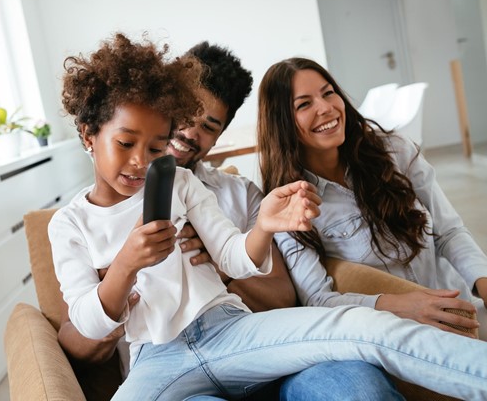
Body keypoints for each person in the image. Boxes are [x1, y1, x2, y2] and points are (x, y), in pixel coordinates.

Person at [50, 33, 487, 401]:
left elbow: (237, 257)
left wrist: (263, 226)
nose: (142, 161)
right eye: (126, 143)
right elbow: (86, 322)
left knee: (362, 327)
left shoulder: (187, 187)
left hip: (232, 331)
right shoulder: (68, 224)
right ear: (89, 135)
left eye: (155, 145)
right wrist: (124, 267)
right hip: (156, 358)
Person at [256, 57, 487, 341]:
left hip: (462, 310)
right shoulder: (289, 206)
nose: (326, 108)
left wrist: (483, 282)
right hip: (401, 336)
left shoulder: (395, 152)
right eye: (304, 104)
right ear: (282, 123)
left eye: (328, 93)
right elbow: (318, 299)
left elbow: (449, 231)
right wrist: (402, 305)